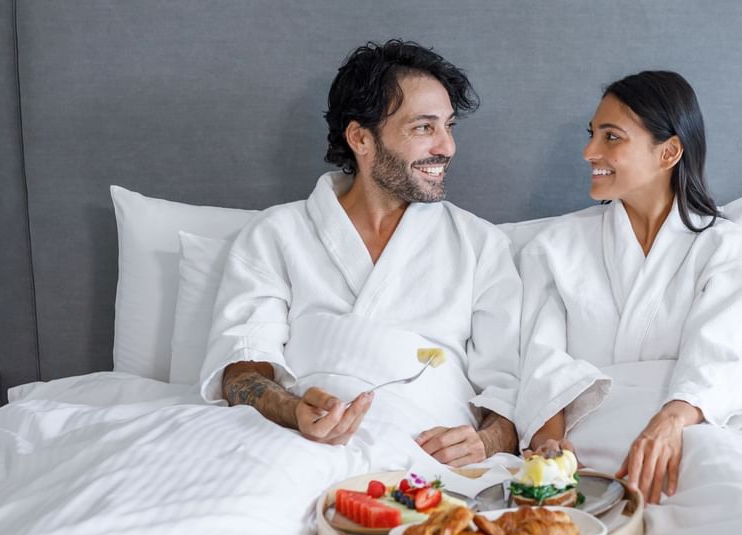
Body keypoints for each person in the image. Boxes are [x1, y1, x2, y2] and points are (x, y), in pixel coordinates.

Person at [199, 40, 519, 466]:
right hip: (294, 445)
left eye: (449, 126)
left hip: (424, 456)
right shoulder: (277, 233)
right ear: (361, 138)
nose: (447, 146)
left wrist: (486, 442)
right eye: (424, 128)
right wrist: (294, 411)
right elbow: (242, 370)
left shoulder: (480, 244)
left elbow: (509, 386)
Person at [515, 71, 742, 503]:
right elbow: (540, 359)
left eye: (611, 137)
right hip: (585, 447)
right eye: (592, 135)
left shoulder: (724, 249)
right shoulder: (555, 247)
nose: (588, 151)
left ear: (669, 152)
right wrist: (550, 449)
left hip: (689, 434)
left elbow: (729, 361)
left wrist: (670, 423)